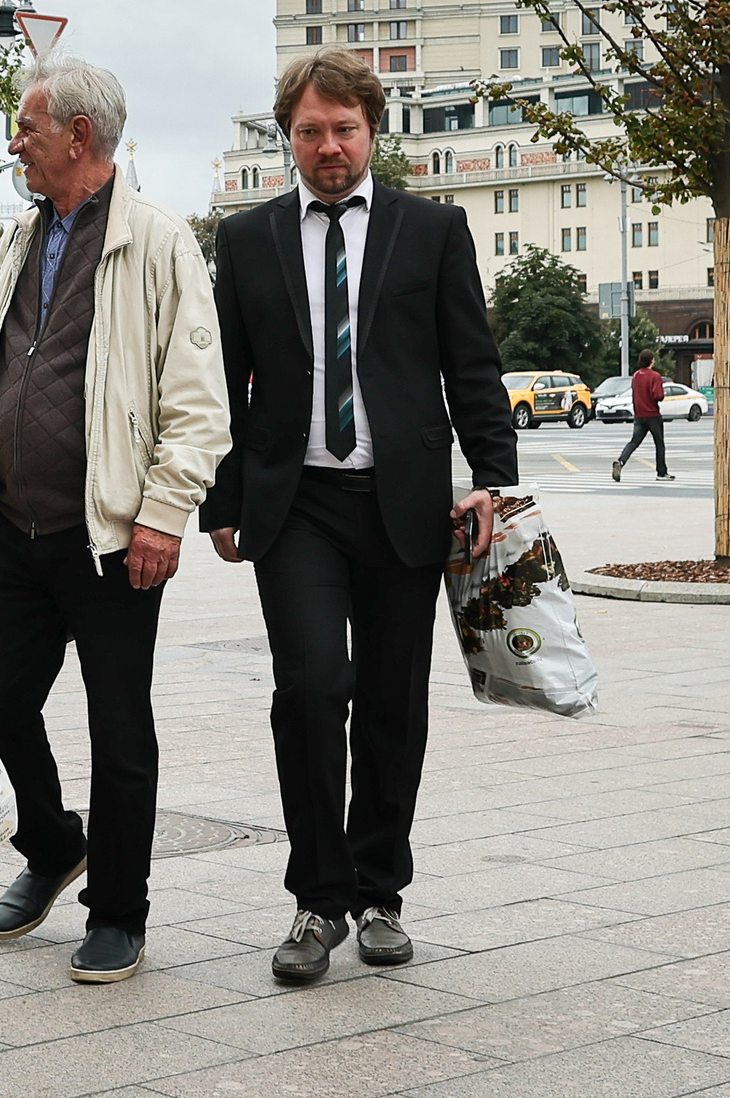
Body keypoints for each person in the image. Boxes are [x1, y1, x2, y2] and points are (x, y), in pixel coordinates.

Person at [201, 50, 515, 986]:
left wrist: (491, 475)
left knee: (390, 699)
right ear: (286, 138)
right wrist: (220, 499)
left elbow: (473, 364)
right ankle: (316, 898)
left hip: (403, 504)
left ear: (373, 130)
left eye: (343, 129)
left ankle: (379, 891)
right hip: (293, 503)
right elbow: (220, 380)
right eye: (309, 130)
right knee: (310, 688)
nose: (328, 146)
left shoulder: (433, 229)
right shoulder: (246, 240)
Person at [0, 57, 228, 985]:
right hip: (15, 530)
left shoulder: (158, 241)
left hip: (110, 537)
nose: (14, 143)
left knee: (119, 723)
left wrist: (163, 512)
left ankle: (118, 909)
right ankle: (53, 841)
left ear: (79, 135)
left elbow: (197, 402)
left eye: (28, 127)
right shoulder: (16, 240)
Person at [609, 362, 673, 482]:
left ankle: (620, 461)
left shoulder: (636, 375)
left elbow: (635, 394)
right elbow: (658, 395)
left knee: (634, 442)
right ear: (651, 361)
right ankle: (661, 472)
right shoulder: (655, 376)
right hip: (653, 415)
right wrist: (662, 394)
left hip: (639, 415)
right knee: (659, 444)